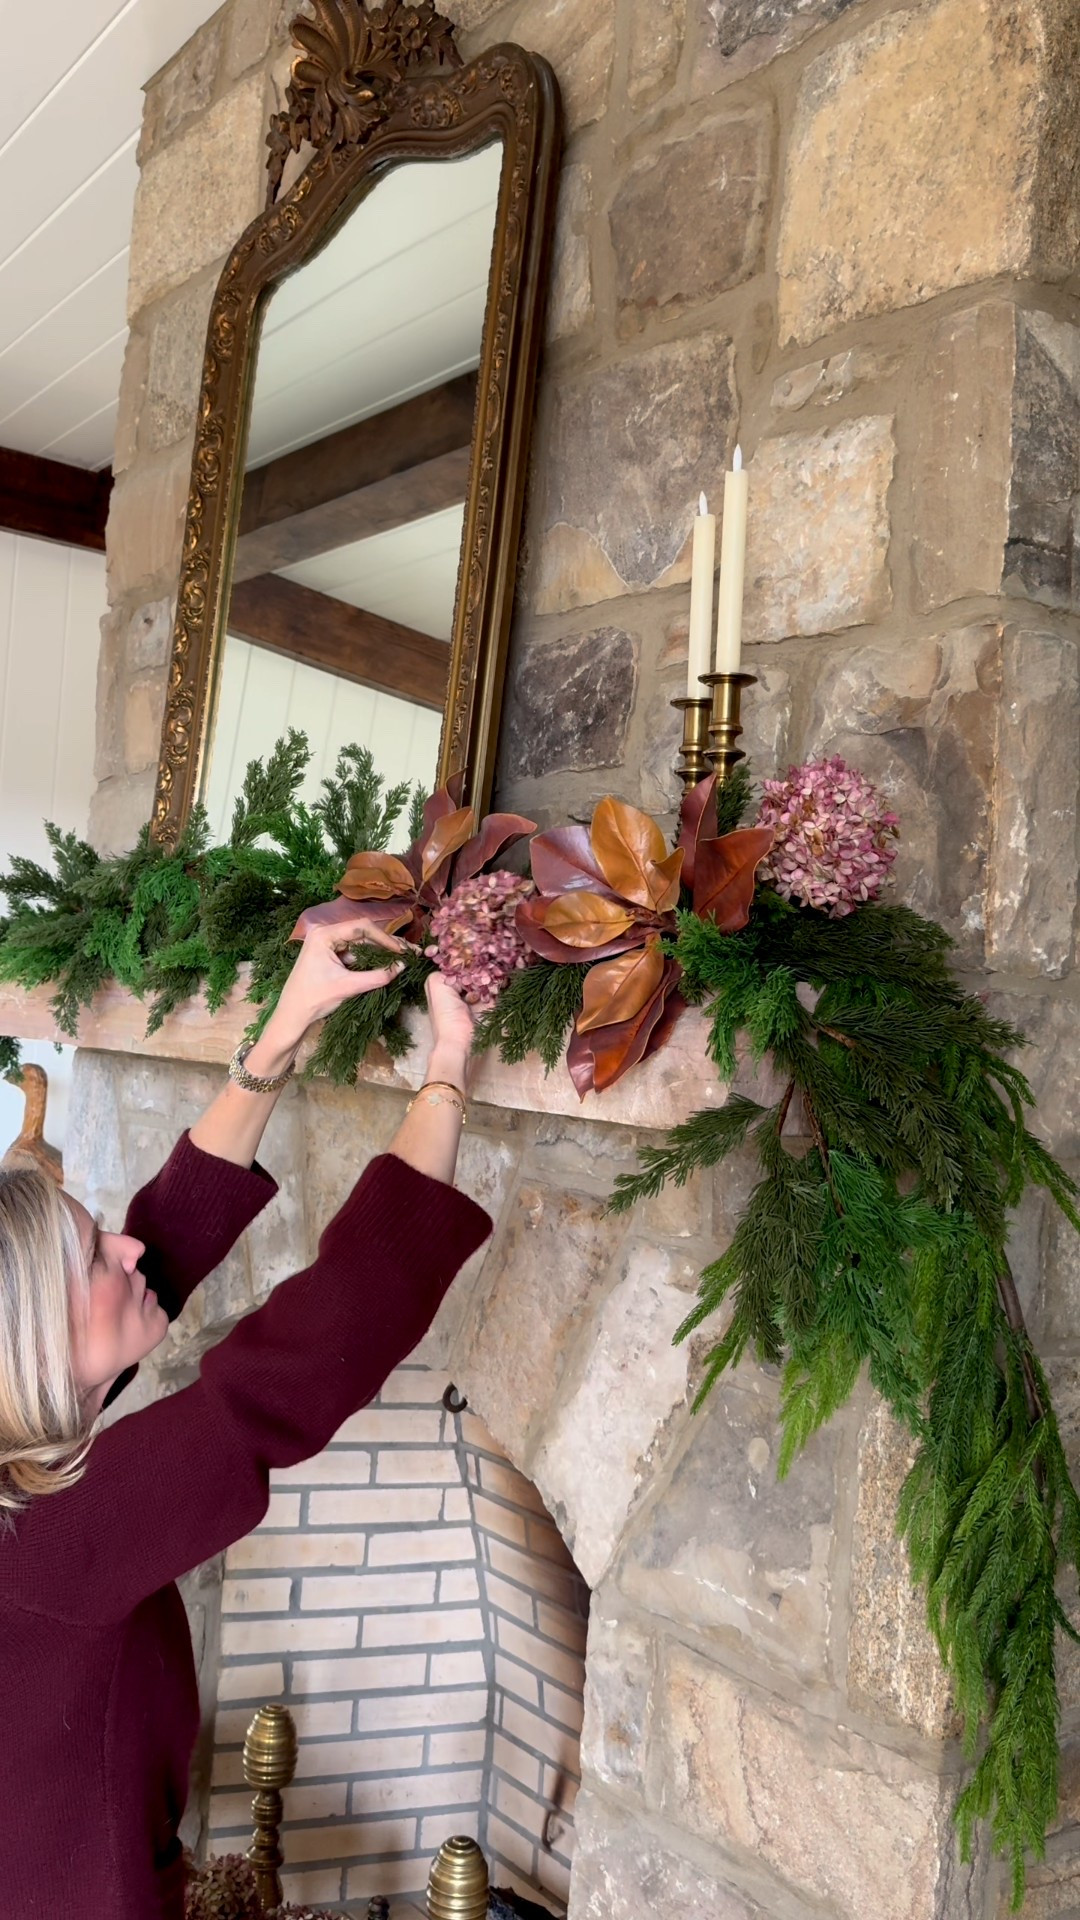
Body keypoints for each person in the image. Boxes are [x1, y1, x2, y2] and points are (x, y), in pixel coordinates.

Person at [0, 915, 491, 1920]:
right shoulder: (47, 1539)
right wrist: (446, 1071)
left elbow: (160, 1244)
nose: (127, 1252)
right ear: (35, 1349)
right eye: (96, 1261)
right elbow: (293, 1370)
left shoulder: (24, 1462)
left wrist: (288, 1025)